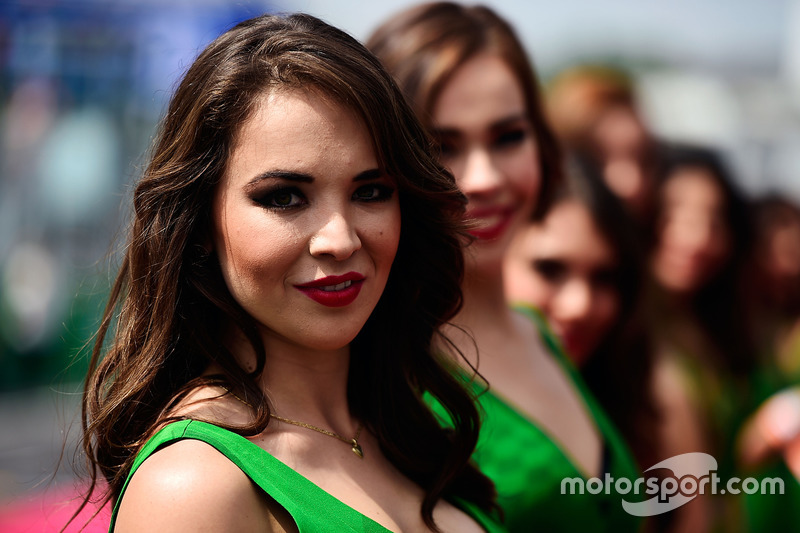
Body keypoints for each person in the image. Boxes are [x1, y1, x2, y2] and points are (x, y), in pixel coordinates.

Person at [75, 13, 503, 533]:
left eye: (370, 191)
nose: (340, 239)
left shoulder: (407, 426)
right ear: (201, 221)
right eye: (284, 197)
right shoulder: (192, 485)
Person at [368, 4, 641, 531]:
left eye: (508, 136)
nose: (485, 177)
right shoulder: (375, 374)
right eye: (441, 146)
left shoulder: (544, 332)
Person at [503, 157, 658, 473]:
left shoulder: (645, 405)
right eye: (549, 269)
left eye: (603, 277)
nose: (580, 305)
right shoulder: (432, 405)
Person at [647, 144, 756, 531]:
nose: (696, 238)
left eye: (714, 220)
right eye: (676, 213)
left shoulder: (709, 328)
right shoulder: (619, 335)